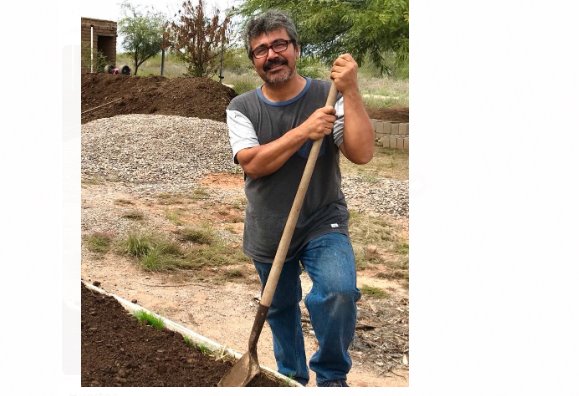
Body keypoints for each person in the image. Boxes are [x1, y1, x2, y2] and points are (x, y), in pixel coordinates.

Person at [226, 9, 374, 387]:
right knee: (280, 308)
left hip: (322, 218)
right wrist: (305, 131)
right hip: (269, 224)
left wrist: (351, 90)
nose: (271, 54)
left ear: (296, 49)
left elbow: (362, 152)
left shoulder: (328, 96)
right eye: (260, 50)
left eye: (279, 44)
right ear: (254, 61)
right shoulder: (241, 108)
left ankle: (331, 378)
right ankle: (290, 378)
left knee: (339, 292)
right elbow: (254, 164)